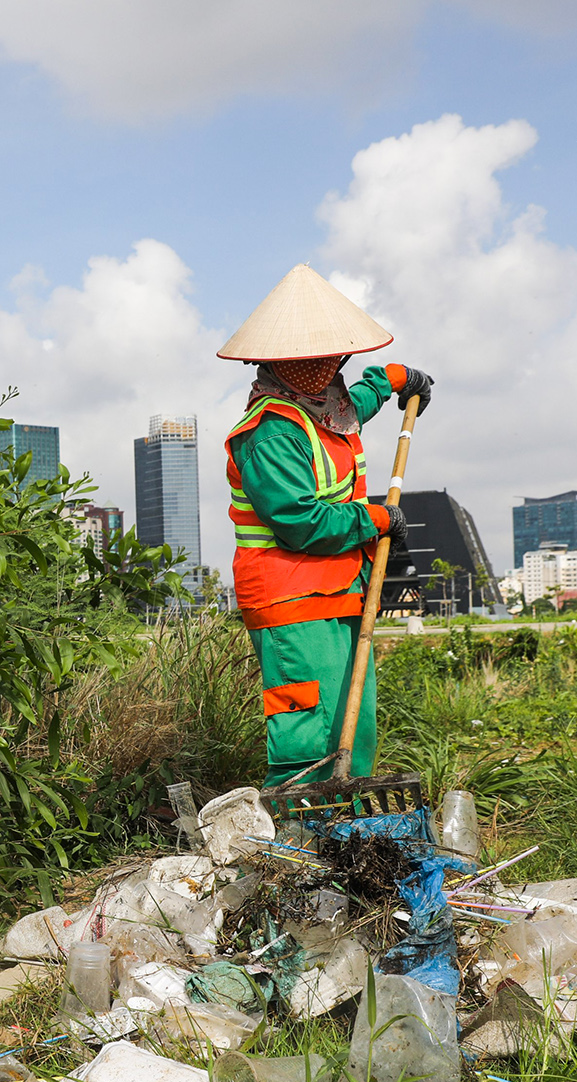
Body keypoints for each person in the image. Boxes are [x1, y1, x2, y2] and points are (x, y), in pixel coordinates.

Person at [216, 265, 433, 787]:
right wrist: (374, 519)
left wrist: (393, 380)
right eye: (312, 363)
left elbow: (351, 406)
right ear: (278, 367)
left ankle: (345, 836)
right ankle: (296, 845)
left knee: (352, 730)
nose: (326, 371)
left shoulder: (319, 409)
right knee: (308, 739)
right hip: (290, 603)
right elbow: (299, 521)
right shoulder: (269, 434)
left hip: (340, 593)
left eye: (330, 361)